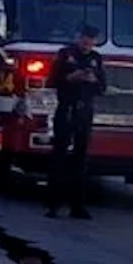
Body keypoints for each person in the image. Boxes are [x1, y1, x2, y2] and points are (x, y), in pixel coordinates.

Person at [47, 24, 107, 219]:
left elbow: (102, 87)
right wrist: (69, 78)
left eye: (91, 39)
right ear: (78, 37)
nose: (87, 43)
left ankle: (77, 206)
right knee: (59, 156)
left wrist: (93, 81)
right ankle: (54, 204)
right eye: (84, 38)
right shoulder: (65, 55)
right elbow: (52, 81)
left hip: (85, 112)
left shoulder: (96, 59)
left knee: (81, 159)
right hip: (66, 109)